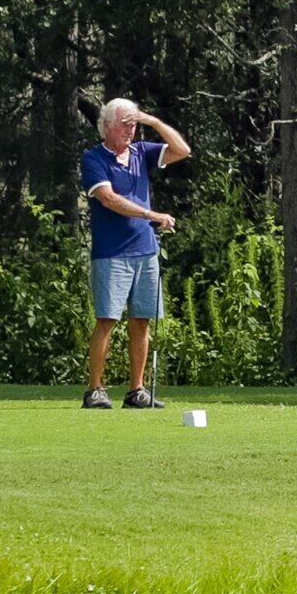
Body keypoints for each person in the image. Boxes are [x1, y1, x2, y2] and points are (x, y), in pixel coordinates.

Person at [81, 98, 189, 409]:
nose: (132, 130)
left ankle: (137, 390)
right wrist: (152, 215)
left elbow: (182, 150)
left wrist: (153, 122)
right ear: (107, 126)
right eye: (126, 124)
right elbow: (109, 199)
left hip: (145, 250)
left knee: (141, 320)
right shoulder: (94, 158)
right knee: (107, 319)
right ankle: (95, 390)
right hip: (112, 252)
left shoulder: (141, 152)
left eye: (134, 124)